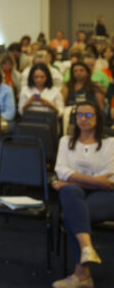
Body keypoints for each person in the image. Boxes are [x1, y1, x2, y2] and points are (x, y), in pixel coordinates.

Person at [51, 101, 113, 288]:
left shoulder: (110, 144)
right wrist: (96, 181)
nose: (83, 119)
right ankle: (86, 252)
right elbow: (61, 169)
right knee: (70, 194)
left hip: (106, 197)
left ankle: (82, 275)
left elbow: (110, 178)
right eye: (79, 115)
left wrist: (72, 180)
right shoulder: (65, 141)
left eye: (88, 115)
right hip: (80, 193)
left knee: (73, 210)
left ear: (97, 119)